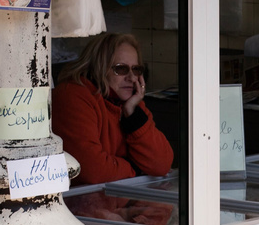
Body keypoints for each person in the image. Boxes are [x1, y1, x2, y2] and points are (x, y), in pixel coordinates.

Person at [54, 32, 175, 184]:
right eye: (121, 69)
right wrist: (136, 169)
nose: (131, 78)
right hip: (80, 202)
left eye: (136, 69)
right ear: (99, 67)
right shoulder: (73, 96)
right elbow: (93, 171)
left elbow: (161, 164)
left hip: (119, 201)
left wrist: (132, 114)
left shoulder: (131, 102)